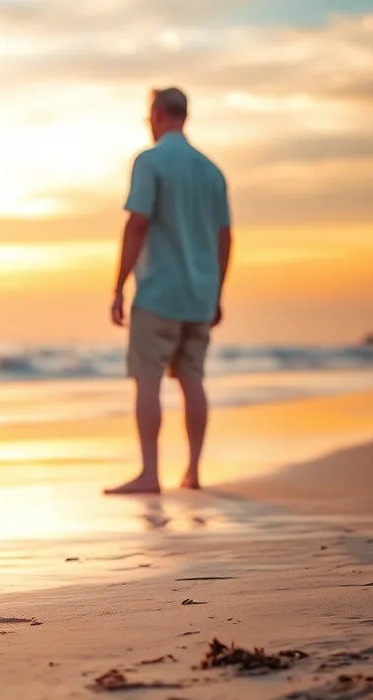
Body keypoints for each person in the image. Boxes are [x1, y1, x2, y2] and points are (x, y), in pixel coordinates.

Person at [108, 87, 233, 495]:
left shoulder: (150, 162)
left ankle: (149, 473)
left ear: (159, 114)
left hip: (159, 291)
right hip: (199, 293)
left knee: (149, 378)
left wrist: (118, 285)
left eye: (149, 115)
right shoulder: (212, 170)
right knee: (192, 378)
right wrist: (216, 292)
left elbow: (138, 223)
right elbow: (225, 235)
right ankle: (193, 471)